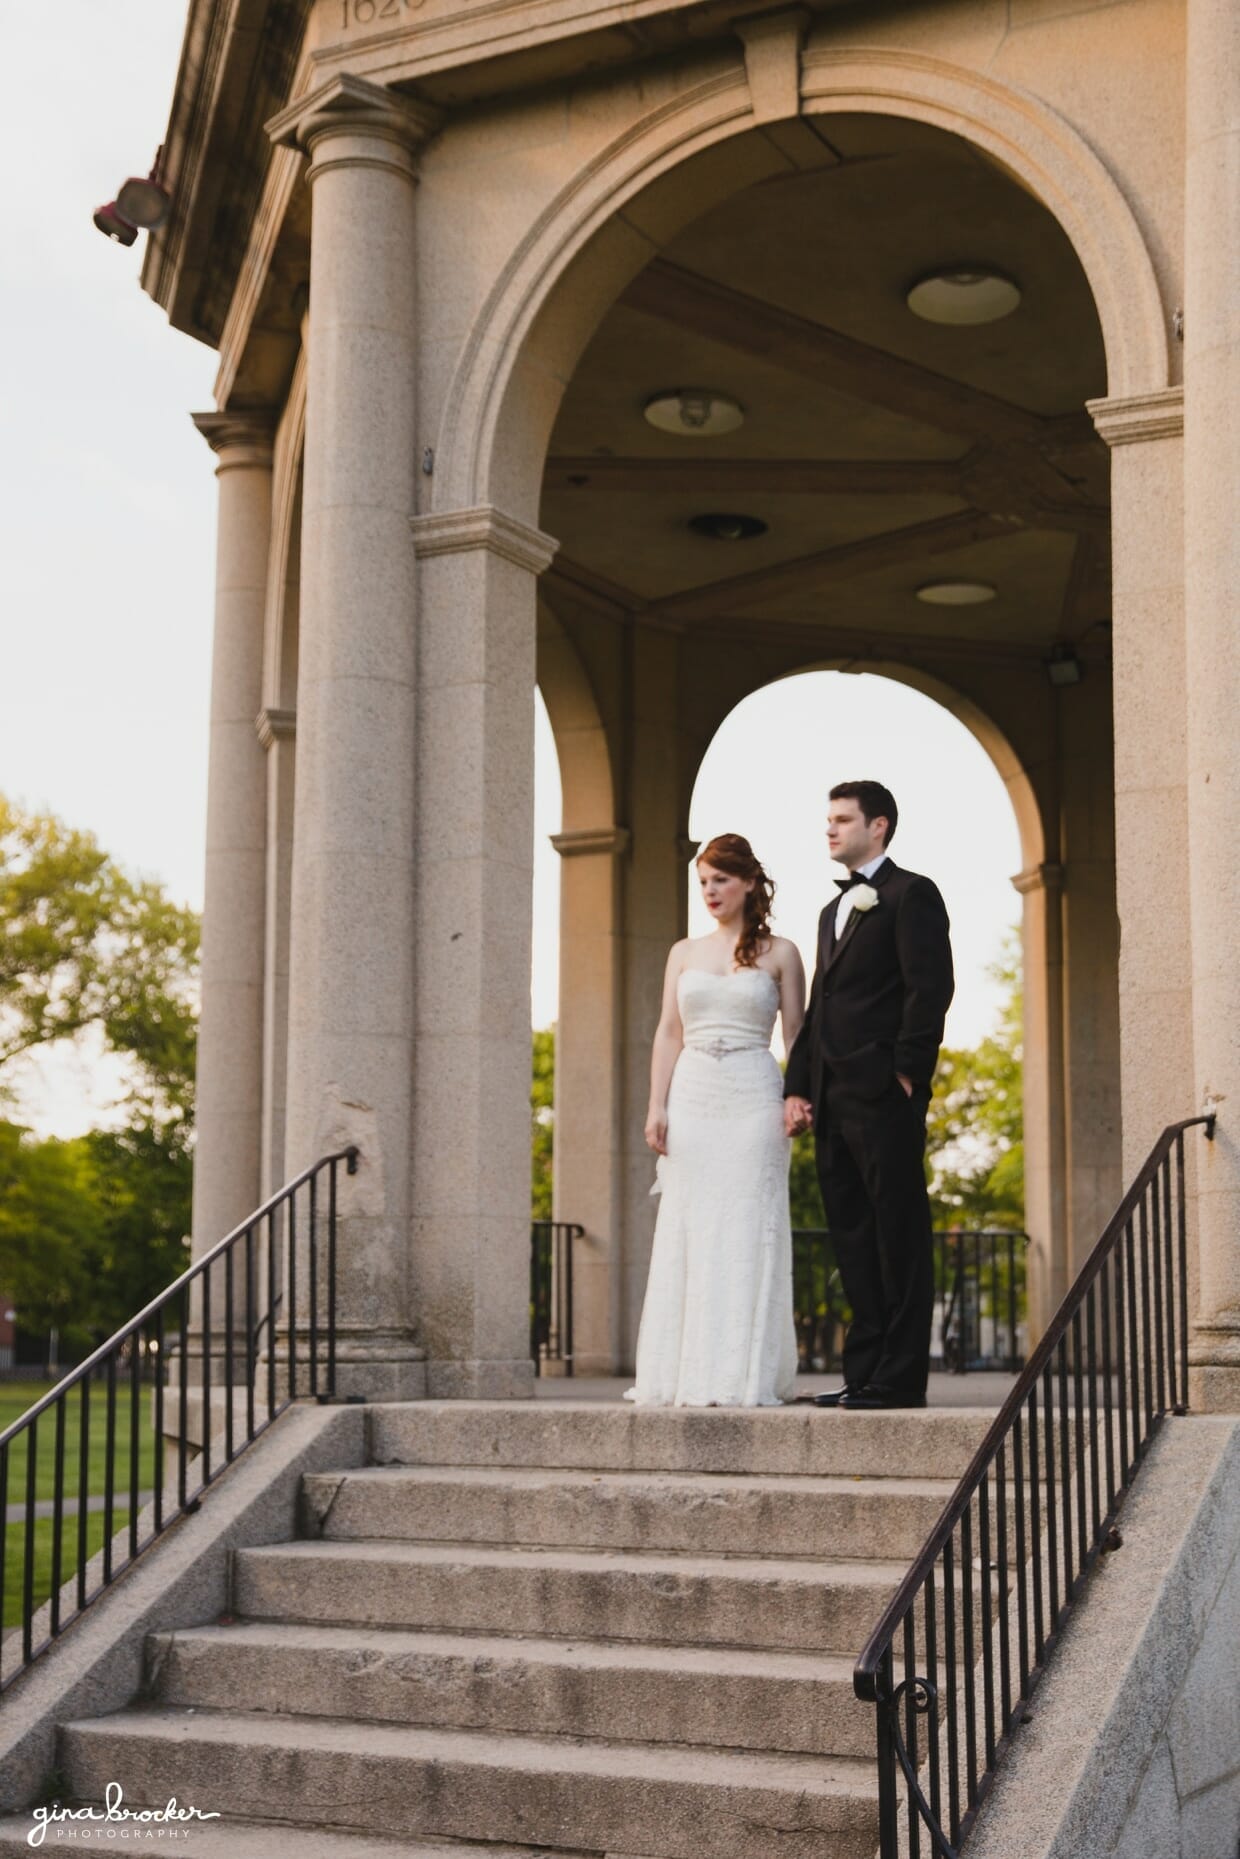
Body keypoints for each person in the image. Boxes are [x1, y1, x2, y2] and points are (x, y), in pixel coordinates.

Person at [784, 782, 953, 1410]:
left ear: (878, 825)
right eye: (827, 819)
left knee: (897, 1233)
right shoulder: (831, 911)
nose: (829, 830)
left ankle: (900, 1378)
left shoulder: (912, 894)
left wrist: (906, 1074)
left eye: (842, 819)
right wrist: (797, 1086)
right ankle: (864, 1373)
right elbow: (819, 1007)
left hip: (883, 1093)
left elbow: (930, 989)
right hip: (831, 1099)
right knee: (852, 1236)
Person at [625, 834, 805, 1407]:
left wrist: (798, 1096)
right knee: (691, 1224)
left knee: (749, 1225)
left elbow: (797, 1034)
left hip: (755, 1096)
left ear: (749, 883)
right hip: (694, 1095)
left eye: (720, 880)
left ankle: (742, 1373)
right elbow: (668, 1032)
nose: (710, 890)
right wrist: (657, 1105)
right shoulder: (683, 952)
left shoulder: (782, 952)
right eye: (703, 881)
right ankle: (686, 1372)